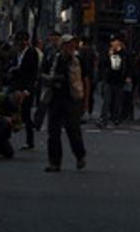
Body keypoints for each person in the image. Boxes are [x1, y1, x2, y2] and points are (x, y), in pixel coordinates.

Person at [44, 34, 87, 172]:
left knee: (73, 130)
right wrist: (50, 79)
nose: (70, 47)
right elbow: (43, 72)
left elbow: (86, 79)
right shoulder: (53, 58)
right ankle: (54, 162)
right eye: (67, 44)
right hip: (55, 98)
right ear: (62, 46)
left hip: (72, 98)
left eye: (72, 44)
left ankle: (80, 154)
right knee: (53, 132)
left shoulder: (78, 60)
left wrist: (85, 101)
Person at [8, 32, 40, 151]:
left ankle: (29, 140)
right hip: (16, 85)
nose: (20, 43)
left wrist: (28, 89)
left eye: (22, 41)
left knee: (25, 114)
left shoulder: (31, 53)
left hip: (26, 87)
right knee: (14, 111)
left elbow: (33, 72)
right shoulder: (18, 53)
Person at [100, 38, 131, 128]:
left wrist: (128, 76)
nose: (114, 44)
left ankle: (116, 117)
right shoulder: (108, 52)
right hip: (109, 79)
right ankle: (103, 119)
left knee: (117, 100)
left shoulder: (124, 54)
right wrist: (109, 55)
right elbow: (103, 64)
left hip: (119, 80)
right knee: (107, 100)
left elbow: (128, 65)